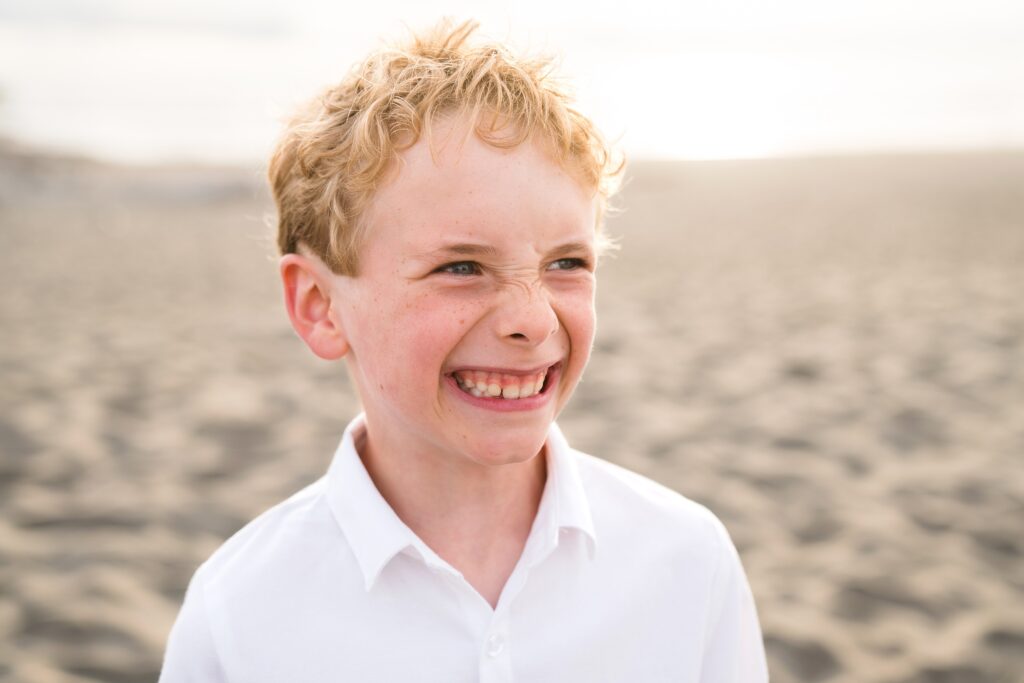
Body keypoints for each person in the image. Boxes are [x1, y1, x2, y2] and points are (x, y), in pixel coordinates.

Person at [159, 19, 768, 682]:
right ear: (319, 305)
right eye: (462, 268)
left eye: (566, 262)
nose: (532, 321)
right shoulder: (239, 616)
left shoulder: (685, 560)